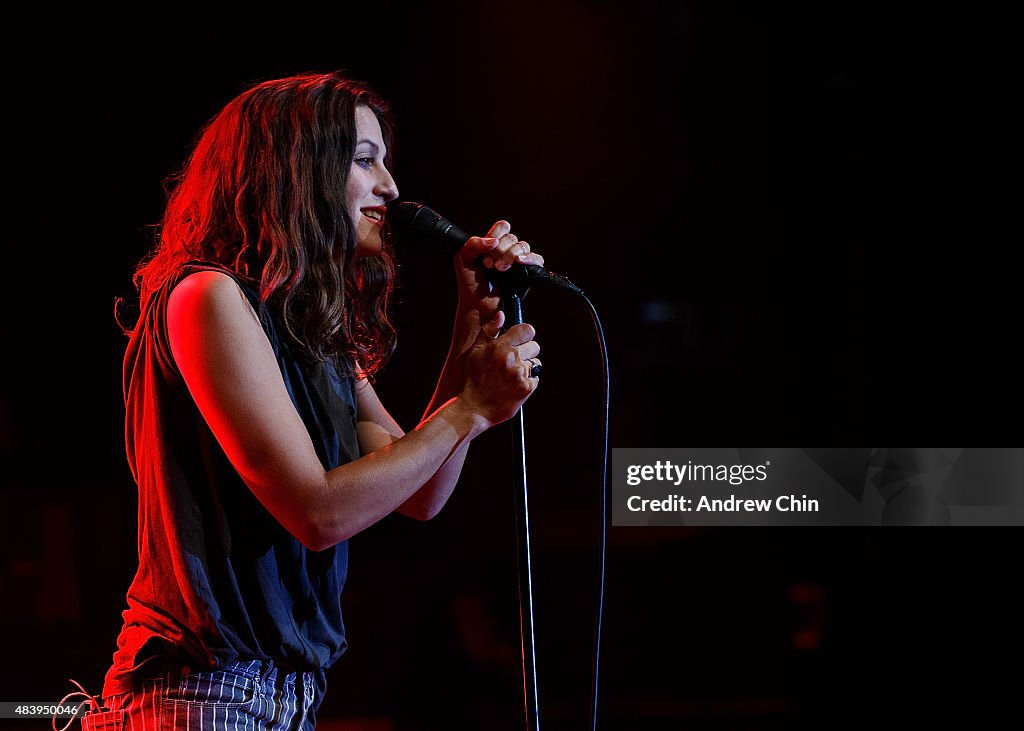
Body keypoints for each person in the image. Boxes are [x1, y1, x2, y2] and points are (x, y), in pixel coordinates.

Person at [83, 71, 544, 731]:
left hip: (284, 698)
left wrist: (471, 326)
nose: (390, 185)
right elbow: (317, 510)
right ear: (293, 171)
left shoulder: (314, 331)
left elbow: (421, 492)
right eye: (365, 160)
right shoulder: (207, 297)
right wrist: (469, 407)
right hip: (203, 693)